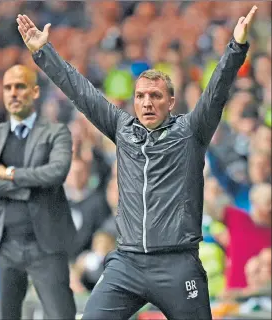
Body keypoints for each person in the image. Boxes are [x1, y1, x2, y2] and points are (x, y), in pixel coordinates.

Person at [16, 6, 257, 320]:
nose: (147, 102)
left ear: (171, 102)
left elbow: (216, 91)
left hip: (178, 263)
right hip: (127, 263)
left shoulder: (191, 132)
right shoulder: (122, 129)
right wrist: (42, 52)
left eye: (156, 96)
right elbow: (81, 92)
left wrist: (236, 47)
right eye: (141, 96)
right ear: (133, 101)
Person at [0, 64, 79, 319]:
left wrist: (10, 173)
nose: (13, 93)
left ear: (34, 92)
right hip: (2, 246)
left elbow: (55, 173)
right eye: (8, 88)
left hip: (45, 245)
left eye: (20, 86)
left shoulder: (56, 132)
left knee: (61, 315)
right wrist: (30, 187)